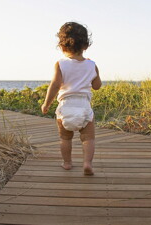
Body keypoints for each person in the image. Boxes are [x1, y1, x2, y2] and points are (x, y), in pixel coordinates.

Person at [41, 21, 101, 175]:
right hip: (84, 106)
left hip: (65, 106)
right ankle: (87, 163)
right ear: (86, 46)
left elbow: (54, 85)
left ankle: (67, 163)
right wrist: (94, 75)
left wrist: (46, 104)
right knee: (88, 139)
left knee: (65, 138)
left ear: (61, 46)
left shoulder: (60, 64)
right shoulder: (92, 65)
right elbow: (97, 86)